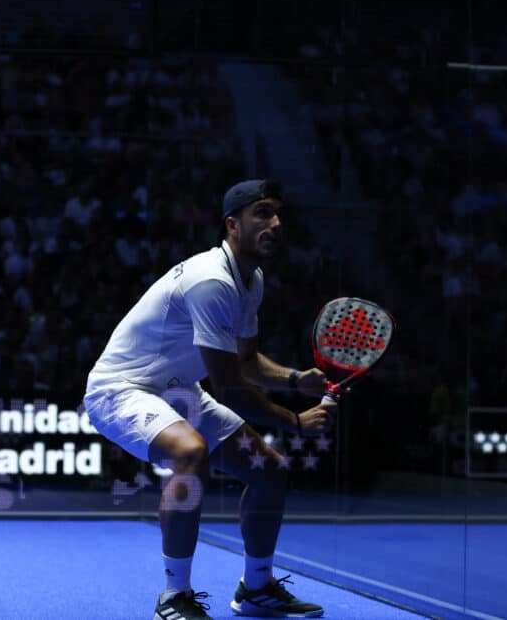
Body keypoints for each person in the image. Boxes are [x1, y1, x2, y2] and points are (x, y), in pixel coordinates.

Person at [84, 179, 335, 619]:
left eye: (277, 214)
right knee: (190, 453)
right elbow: (232, 386)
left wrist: (296, 380)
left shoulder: (250, 279)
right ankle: (173, 597)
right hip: (119, 390)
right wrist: (294, 422)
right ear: (232, 224)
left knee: (270, 471)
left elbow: (248, 361)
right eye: (262, 213)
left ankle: (256, 587)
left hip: (177, 392)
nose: (274, 223)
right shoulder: (211, 280)